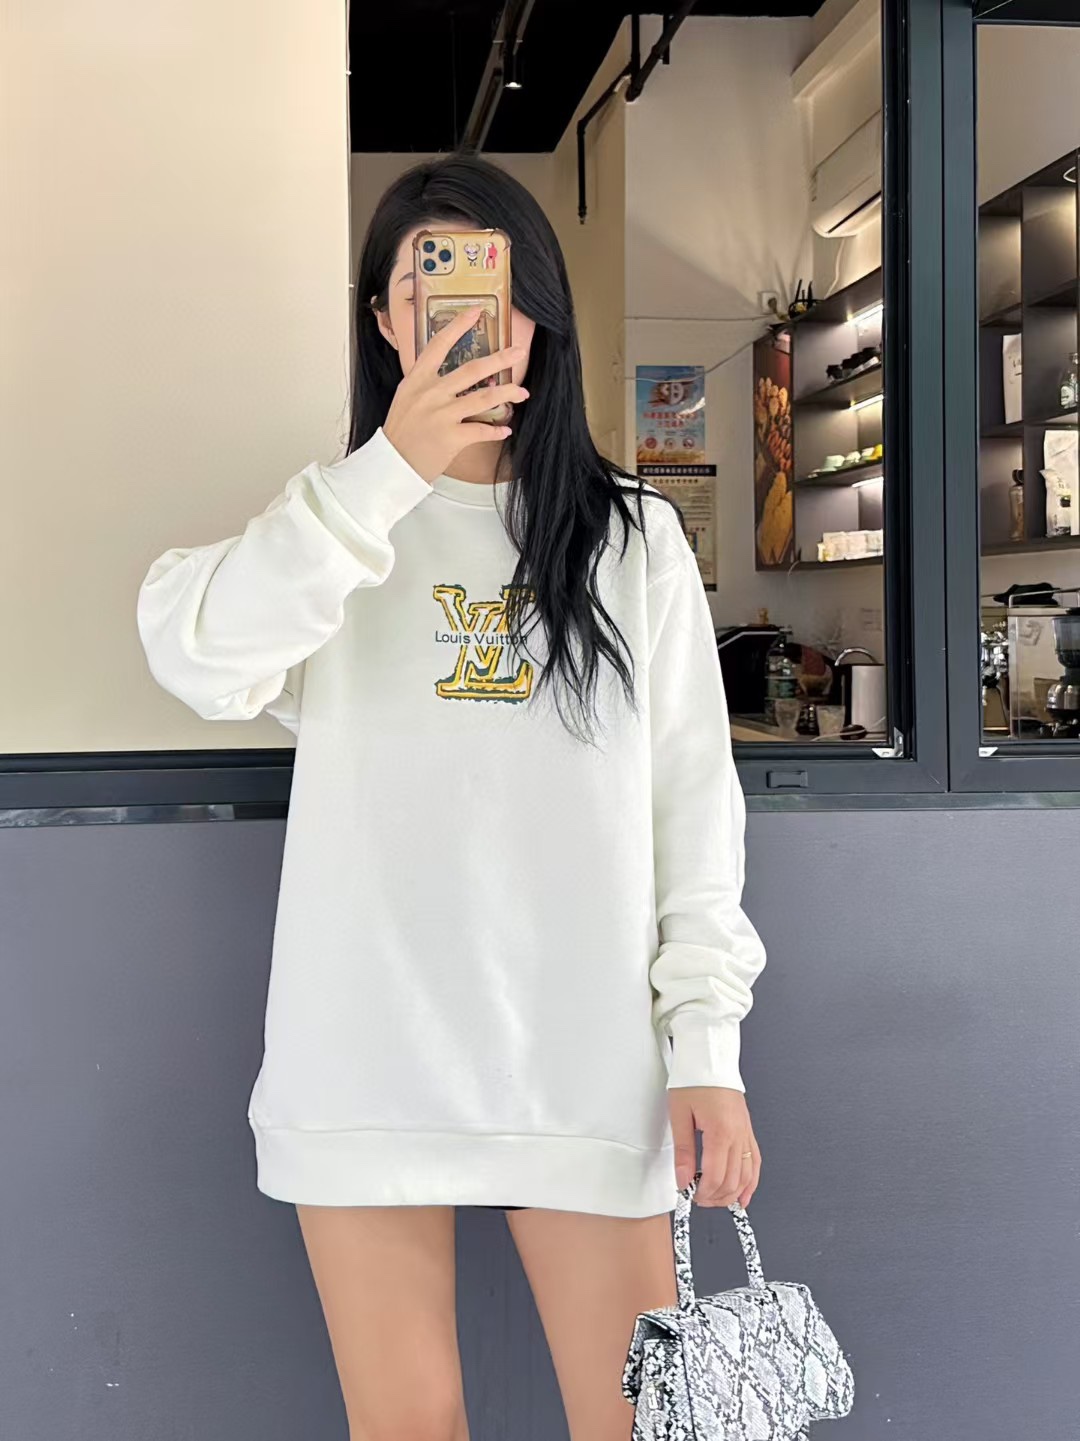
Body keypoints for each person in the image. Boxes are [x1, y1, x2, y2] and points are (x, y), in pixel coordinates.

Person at [135, 152, 767, 1441]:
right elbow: (195, 654)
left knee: (638, 1424)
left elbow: (693, 819)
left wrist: (707, 1050)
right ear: (385, 321)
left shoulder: (633, 539)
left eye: (499, 290)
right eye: (432, 293)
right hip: (367, 1049)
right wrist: (389, 473)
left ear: (542, 316)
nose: (474, 323)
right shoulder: (333, 530)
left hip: (582, 1056)